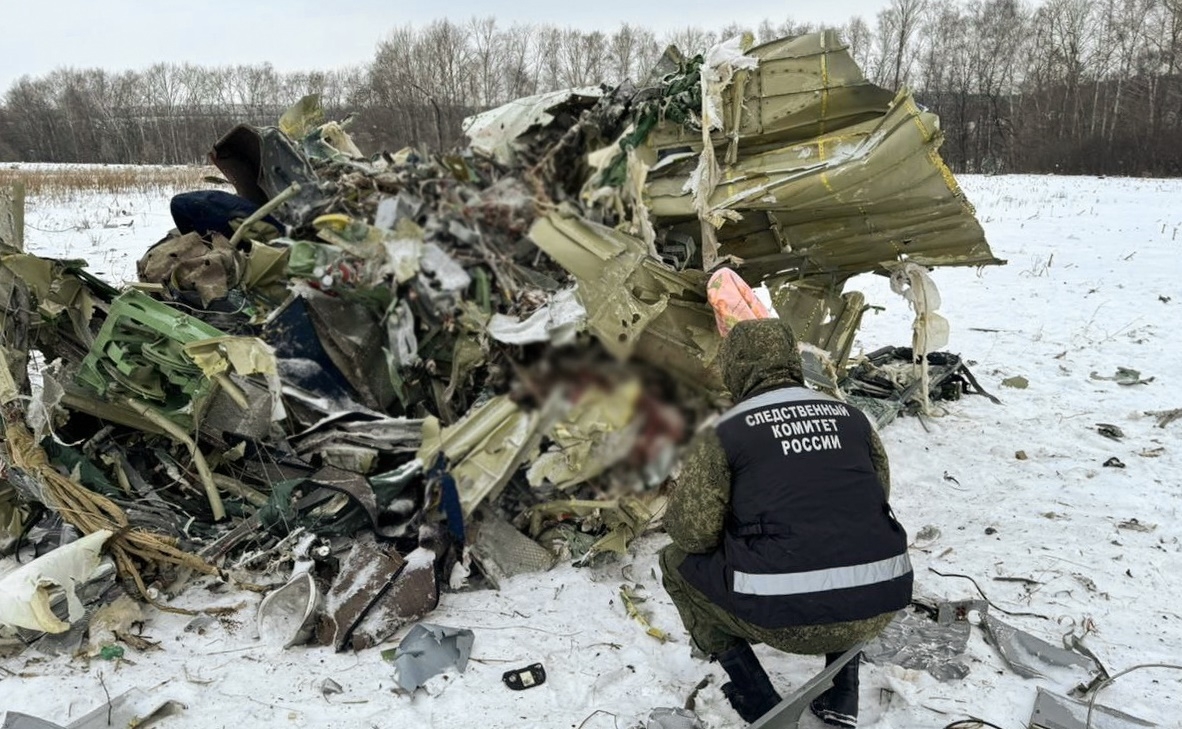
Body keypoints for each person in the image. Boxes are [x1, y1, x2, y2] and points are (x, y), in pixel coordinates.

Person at [660, 319, 913, 727]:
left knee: (673, 563)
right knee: (843, 538)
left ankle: (758, 699)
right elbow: (875, 496)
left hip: (785, 622)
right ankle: (843, 693)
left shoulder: (727, 432)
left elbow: (693, 534)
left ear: (735, 366)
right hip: (880, 604)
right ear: (791, 360)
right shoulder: (852, 418)